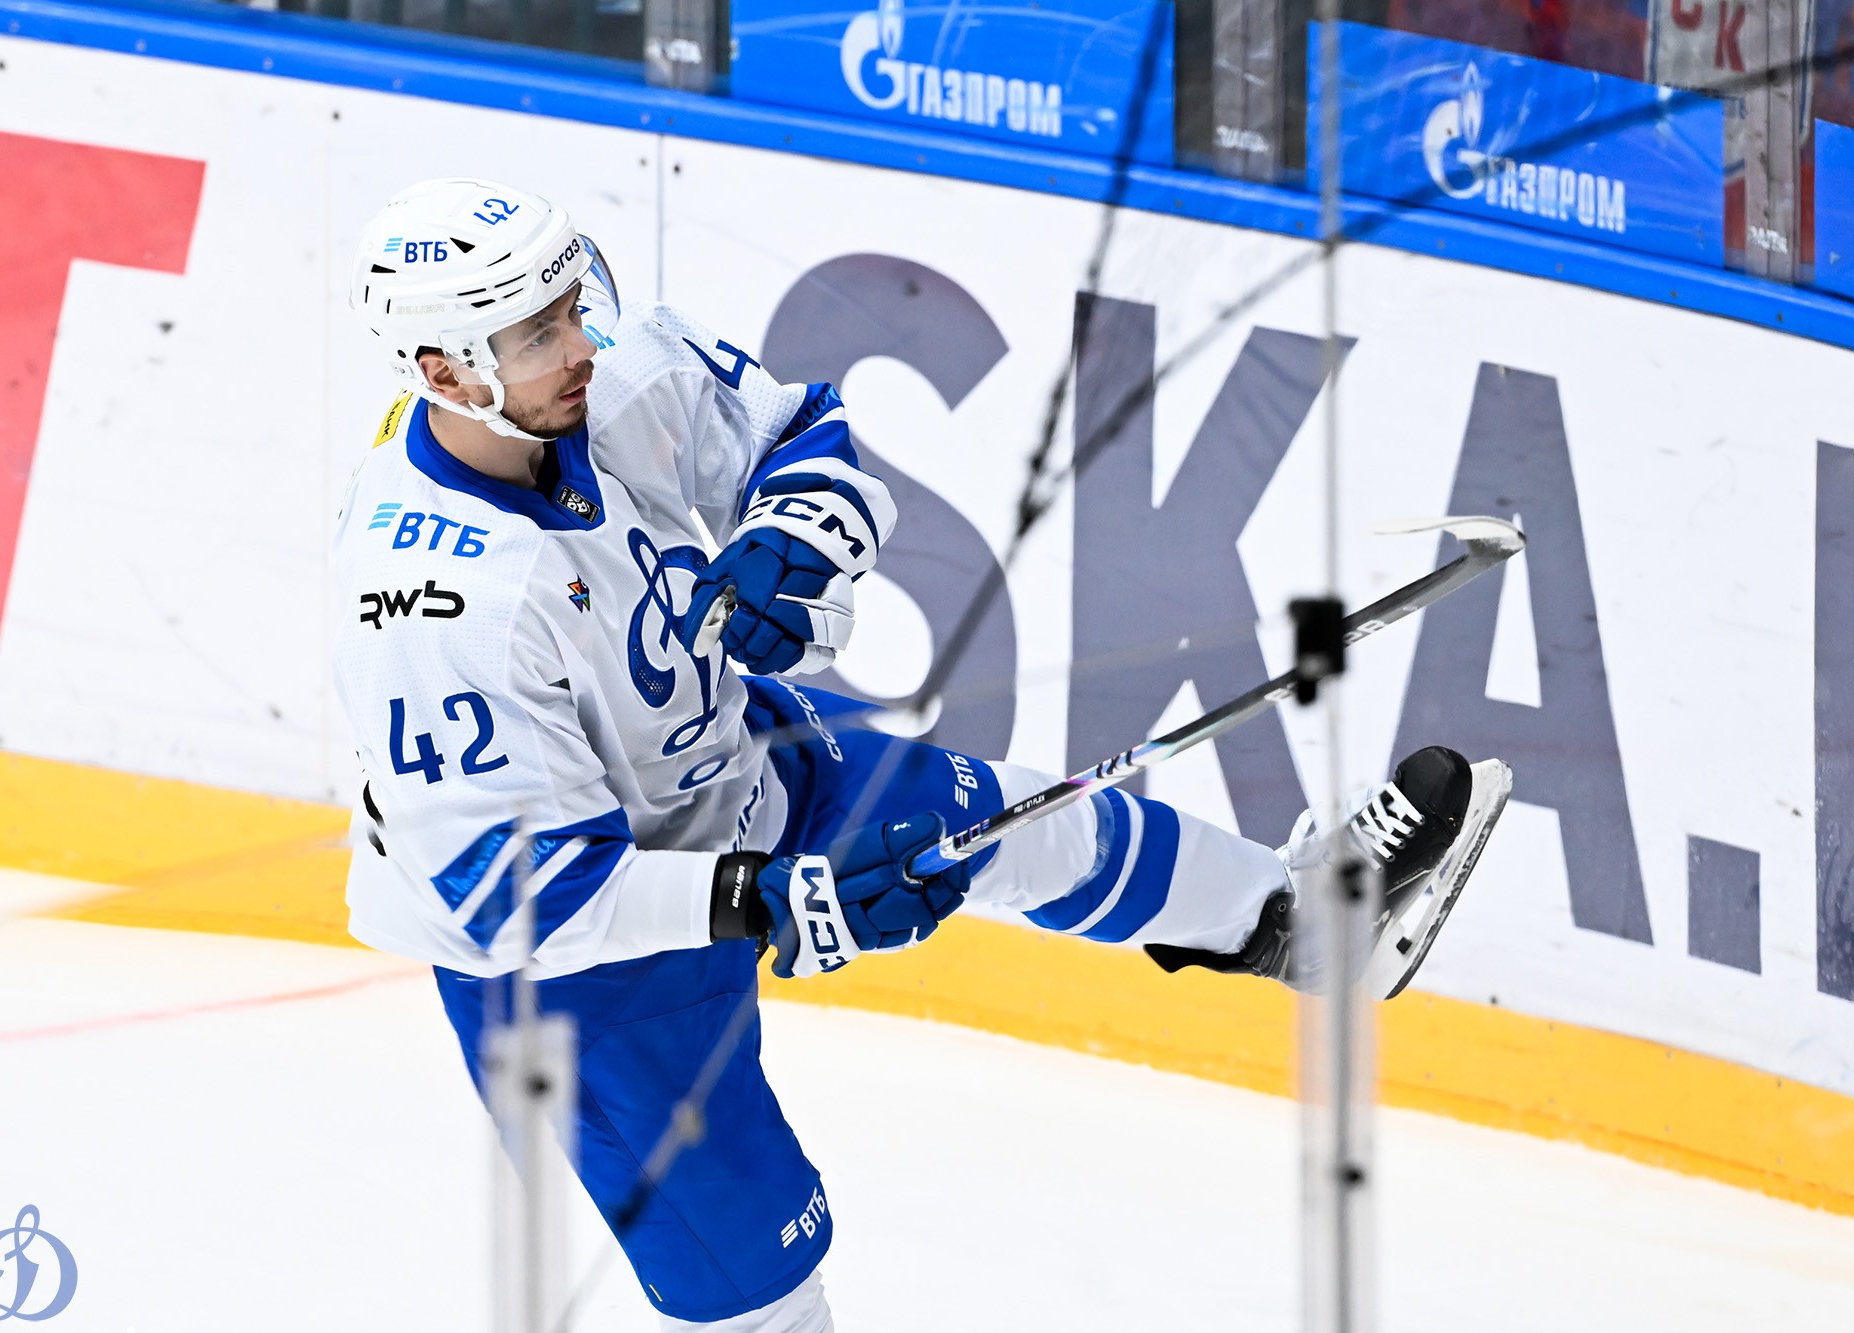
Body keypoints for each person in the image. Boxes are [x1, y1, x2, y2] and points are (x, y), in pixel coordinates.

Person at [331, 178, 1510, 1332]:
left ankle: (1298, 922)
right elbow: (510, 893)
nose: (581, 343)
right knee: (753, 1289)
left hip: (731, 764)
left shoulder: (608, 377)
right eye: (539, 333)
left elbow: (798, 430)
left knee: (1024, 821)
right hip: (579, 973)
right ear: (445, 372)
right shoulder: (438, 607)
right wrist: (762, 899)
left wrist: (792, 532)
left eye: (570, 307)